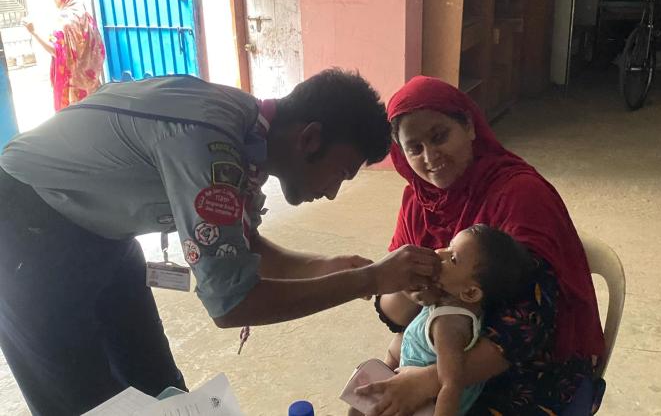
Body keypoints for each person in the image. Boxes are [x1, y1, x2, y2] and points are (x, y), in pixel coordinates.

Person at [0, 69, 440, 416]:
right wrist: (369, 280)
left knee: (158, 383)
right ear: (309, 139)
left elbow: (243, 247)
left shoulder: (250, 135)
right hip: (27, 228)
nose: (331, 193)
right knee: (83, 401)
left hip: (106, 232)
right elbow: (232, 305)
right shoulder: (210, 145)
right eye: (339, 174)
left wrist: (329, 266)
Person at [356, 76, 605, 415]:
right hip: (450, 348)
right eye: (414, 148)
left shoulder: (519, 194)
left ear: (469, 127)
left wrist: (429, 382)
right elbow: (395, 314)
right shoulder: (417, 202)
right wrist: (410, 289)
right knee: (368, 398)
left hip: (533, 365)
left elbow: (528, 323)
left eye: (439, 136)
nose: (430, 156)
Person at [351, 224, 536, 416]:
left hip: (422, 406)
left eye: (453, 258)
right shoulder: (446, 301)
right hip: (405, 381)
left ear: (470, 292)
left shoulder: (448, 324)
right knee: (358, 405)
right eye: (449, 246)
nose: (439, 252)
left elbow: (451, 384)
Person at [23, 0, 105, 111]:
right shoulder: (86, 16)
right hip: (91, 84)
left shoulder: (63, 21)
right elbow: (98, 48)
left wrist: (34, 33)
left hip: (74, 88)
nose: (54, 0)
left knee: (76, 117)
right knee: (95, 113)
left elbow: (56, 51)